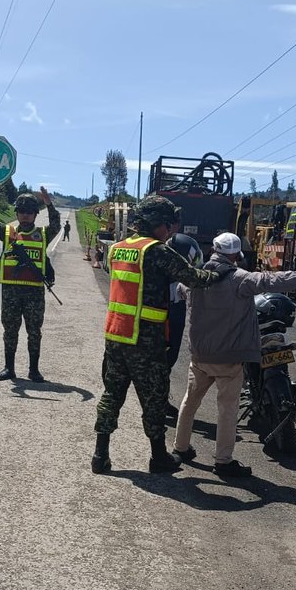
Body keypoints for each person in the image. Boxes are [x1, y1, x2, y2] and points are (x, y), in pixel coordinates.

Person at [172, 233, 296, 478]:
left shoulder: (194, 279)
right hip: (230, 358)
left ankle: (180, 448)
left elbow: (178, 290)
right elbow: (274, 280)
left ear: (212, 251)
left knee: (189, 402)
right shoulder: (241, 279)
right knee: (227, 409)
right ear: (236, 255)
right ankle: (223, 461)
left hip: (201, 356)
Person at [92, 196, 222, 474]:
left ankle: (100, 455)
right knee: (154, 399)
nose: (170, 230)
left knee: (111, 395)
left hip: (116, 335)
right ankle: (158, 457)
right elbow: (195, 278)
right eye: (167, 224)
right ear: (156, 224)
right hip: (145, 340)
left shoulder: (118, 248)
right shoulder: (156, 251)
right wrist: (220, 274)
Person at [0, 186, 61, 383]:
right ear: (16, 213)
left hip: (34, 291)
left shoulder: (42, 234)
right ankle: (9, 368)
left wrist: (49, 203)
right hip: (10, 291)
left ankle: (34, 370)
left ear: (35, 214)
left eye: (29, 212)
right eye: (21, 212)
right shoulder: (8, 232)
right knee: (10, 330)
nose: (25, 216)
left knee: (34, 331)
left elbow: (56, 225)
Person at [164, 219, 203, 417]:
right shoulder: (165, 275)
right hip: (166, 323)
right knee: (163, 362)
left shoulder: (176, 275)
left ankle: (161, 399)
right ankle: (158, 402)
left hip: (174, 320)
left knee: (168, 362)